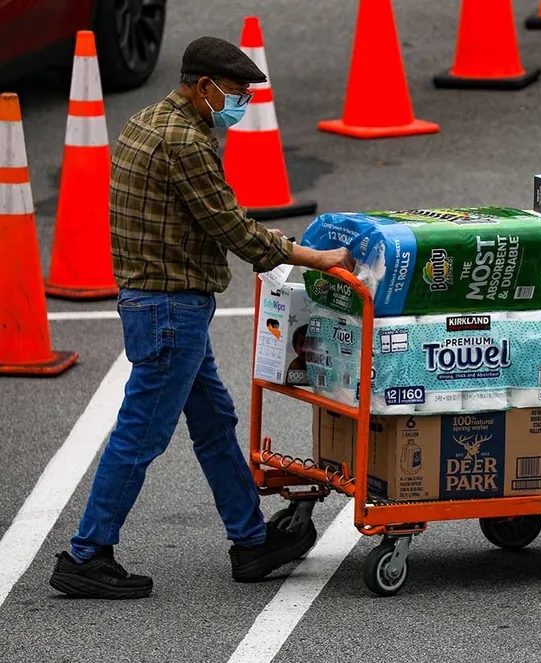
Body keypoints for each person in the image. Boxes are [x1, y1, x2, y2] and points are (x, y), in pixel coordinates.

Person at [49, 36, 354, 600]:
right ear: (204, 85)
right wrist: (318, 258)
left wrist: (258, 243)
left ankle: (251, 540)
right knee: (140, 435)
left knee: (215, 422)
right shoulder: (185, 142)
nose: (240, 105)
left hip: (159, 303)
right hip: (171, 310)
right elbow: (233, 228)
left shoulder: (147, 121)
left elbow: (199, 219)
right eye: (236, 92)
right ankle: (87, 554)